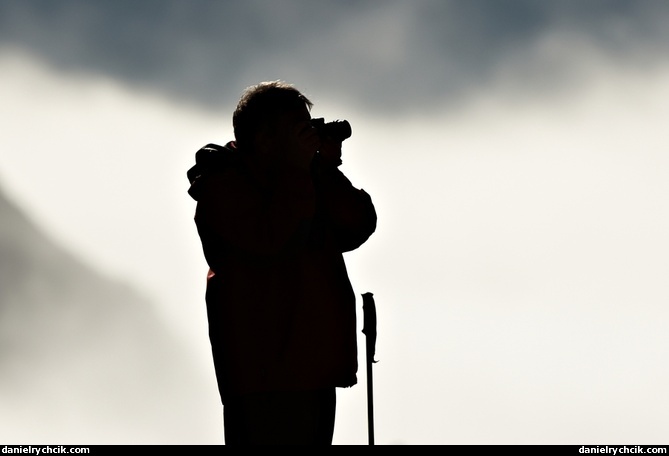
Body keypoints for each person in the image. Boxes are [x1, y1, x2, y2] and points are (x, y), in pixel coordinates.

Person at [187, 81, 377, 445]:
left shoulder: (304, 178)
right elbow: (270, 240)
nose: (309, 135)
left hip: (313, 366)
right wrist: (299, 171)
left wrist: (323, 168)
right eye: (298, 130)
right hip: (264, 376)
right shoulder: (223, 187)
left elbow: (357, 224)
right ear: (264, 139)